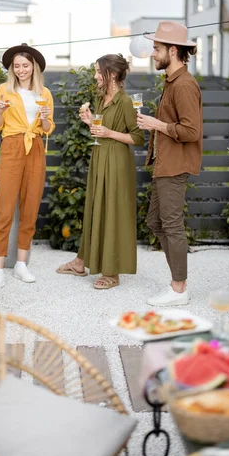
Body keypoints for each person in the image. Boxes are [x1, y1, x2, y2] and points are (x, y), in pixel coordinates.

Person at [56, 54, 144, 289]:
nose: (95, 76)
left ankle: (112, 273)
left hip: (117, 162)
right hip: (99, 159)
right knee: (95, 208)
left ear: (112, 74)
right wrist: (90, 121)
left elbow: (137, 137)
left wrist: (108, 133)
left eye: (98, 71)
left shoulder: (125, 101)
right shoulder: (100, 97)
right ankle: (81, 261)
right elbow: (100, 129)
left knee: (113, 211)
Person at [137, 21, 202, 307]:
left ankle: (179, 289)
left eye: (157, 48)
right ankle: (178, 281)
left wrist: (157, 125)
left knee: (171, 225)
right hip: (164, 163)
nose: (152, 53)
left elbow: (191, 131)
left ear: (172, 50)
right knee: (156, 221)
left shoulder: (185, 85)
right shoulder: (172, 82)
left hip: (175, 165)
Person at [0, 43, 55, 293]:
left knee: (30, 206)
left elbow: (47, 129)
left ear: (34, 67)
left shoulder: (44, 93)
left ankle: (21, 264)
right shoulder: (3, 90)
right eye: (16, 66)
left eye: (25, 66)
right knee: (5, 208)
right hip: (12, 145)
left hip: (35, 146)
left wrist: (46, 117)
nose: (21, 70)